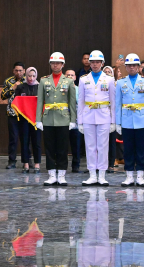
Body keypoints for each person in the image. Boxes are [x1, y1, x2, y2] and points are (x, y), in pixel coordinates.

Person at [36, 52, 78, 186]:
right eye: (53, 63)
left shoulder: (69, 81)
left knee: (62, 147)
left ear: (63, 65)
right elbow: (40, 102)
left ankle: (61, 174)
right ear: (50, 64)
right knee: (49, 148)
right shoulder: (44, 80)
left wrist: (73, 120)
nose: (55, 65)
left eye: (58, 63)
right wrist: (38, 119)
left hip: (63, 118)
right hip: (48, 118)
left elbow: (72, 102)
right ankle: (51, 174)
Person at [115, 54, 144, 186]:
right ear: (126, 67)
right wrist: (118, 122)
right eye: (129, 65)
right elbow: (118, 103)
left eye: (134, 65)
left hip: (141, 120)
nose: (132, 67)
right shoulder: (121, 82)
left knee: (140, 149)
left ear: (138, 67)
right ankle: (129, 175)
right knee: (128, 149)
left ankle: (140, 175)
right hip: (126, 120)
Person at [76, 50, 115, 186]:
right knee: (90, 146)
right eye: (92, 62)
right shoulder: (83, 79)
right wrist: (79, 121)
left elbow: (113, 102)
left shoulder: (109, 79)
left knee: (103, 146)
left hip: (104, 115)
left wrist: (113, 121)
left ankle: (102, 175)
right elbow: (80, 101)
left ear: (102, 63)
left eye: (97, 62)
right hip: (88, 115)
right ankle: (92, 174)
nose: (95, 64)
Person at [15, 67, 41, 173]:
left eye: (33, 76)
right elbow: (16, 101)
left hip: (36, 119)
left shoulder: (40, 87)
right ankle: (25, 164)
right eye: (29, 76)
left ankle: (37, 164)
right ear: (26, 75)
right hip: (23, 119)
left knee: (37, 142)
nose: (31, 78)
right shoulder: (21, 87)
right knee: (25, 141)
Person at [1, 62, 26, 169]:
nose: (18, 72)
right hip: (12, 114)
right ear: (13, 71)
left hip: (25, 114)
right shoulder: (8, 81)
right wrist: (13, 88)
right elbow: (2, 96)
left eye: (20, 70)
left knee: (26, 138)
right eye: (16, 70)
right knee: (13, 138)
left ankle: (27, 161)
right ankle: (12, 161)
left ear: (24, 71)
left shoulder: (28, 80)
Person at [65, 69, 82, 173]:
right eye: (68, 75)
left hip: (76, 121)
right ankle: (62, 166)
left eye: (72, 75)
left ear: (75, 77)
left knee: (76, 145)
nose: (70, 77)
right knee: (63, 145)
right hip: (63, 121)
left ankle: (76, 165)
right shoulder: (61, 89)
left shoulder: (79, 90)